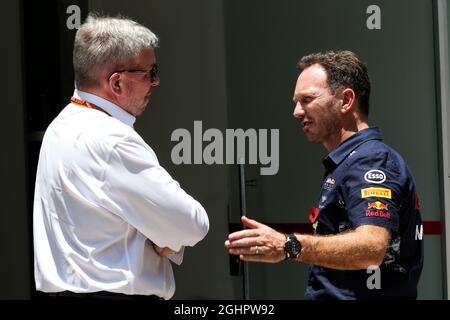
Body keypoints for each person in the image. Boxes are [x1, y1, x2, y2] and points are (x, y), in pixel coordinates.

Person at [33, 13, 209, 300]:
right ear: (116, 83)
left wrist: (164, 236)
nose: (157, 81)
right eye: (150, 72)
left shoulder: (60, 127)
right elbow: (192, 224)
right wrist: (168, 238)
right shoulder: (111, 139)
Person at [225, 50, 423, 300]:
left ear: (346, 100)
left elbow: (371, 247)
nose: (296, 111)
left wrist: (289, 245)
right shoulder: (351, 161)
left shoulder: (370, 160)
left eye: (307, 99)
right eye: (296, 101)